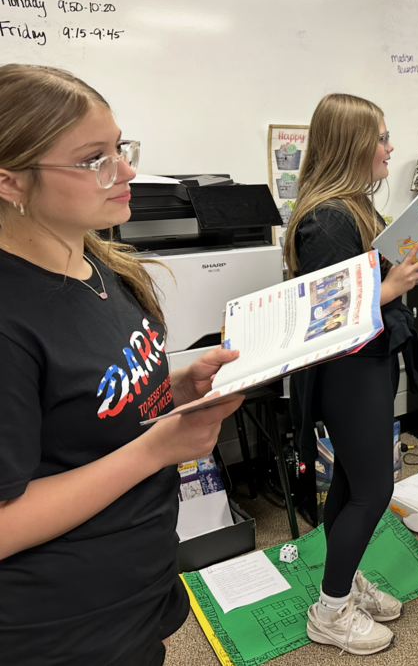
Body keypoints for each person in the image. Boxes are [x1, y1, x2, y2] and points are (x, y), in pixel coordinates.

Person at [0, 64, 245, 665]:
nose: (128, 172)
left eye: (121, 148)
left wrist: (180, 385)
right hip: (58, 629)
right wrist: (156, 449)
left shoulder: (97, 263)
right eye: (94, 160)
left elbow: (96, 408)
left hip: (135, 590)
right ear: (10, 183)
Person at [284, 93, 418, 656]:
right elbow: (332, 312)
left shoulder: (353, 208)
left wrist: (403, 270)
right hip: (348, 368)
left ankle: (342, 584)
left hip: (368, 359)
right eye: (382, 137)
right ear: (352, 146)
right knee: (373, 491)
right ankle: (330, 611)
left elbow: (366, 277)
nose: (390, 147)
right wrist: (392, 287)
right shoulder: (327, 219)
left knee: (350, 483)